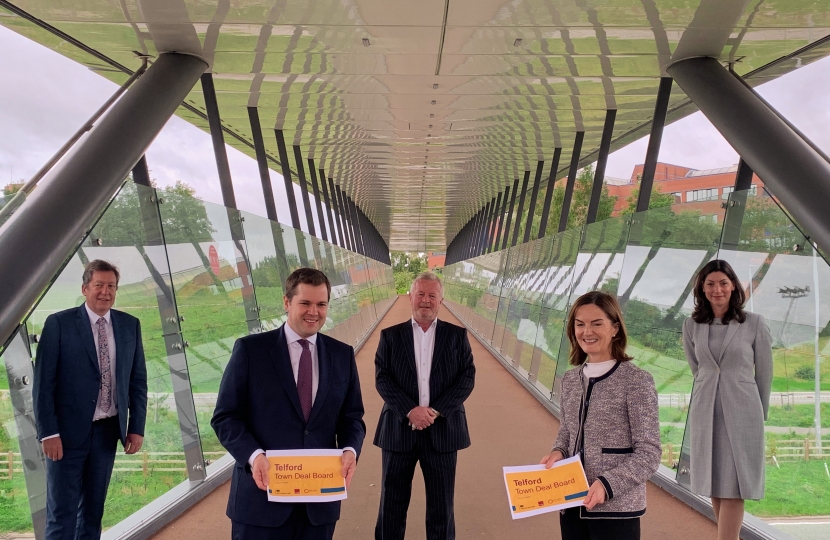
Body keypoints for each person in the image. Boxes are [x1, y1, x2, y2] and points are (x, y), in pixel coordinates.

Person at [212, 267, 365, 540]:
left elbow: (352, 417)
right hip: (260, 503)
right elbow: (226, 417)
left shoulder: (342, 355)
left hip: (319, 506)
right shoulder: (251, 351)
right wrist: (253, 455)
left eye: (321, 304)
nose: (313, 312)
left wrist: (351, 450)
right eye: (305, 303)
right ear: (287, 302)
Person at [33, 259, 148, 540]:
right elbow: (43, 385)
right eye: (99, 285)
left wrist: (136, 427)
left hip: (108, 433)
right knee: (62, 514)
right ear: (85, 288)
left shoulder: (129, 325)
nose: (105, 291)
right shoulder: (59, 324)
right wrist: (49, 432)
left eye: (111, 286)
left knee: (93, 513)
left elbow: (137, 381)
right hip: (66, 436)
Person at [540, 291, 660, 540]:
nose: (587, 332)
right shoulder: (571, 379)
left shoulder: (636, 381)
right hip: (571, 503)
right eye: (580, 324)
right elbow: (567, 431)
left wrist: (607, 485)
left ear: (615, 328)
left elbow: (649, 452)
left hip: (616, 510)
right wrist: (558, 451)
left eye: (597, 323)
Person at [373, 271, 475, 540]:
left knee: (442, 508)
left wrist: (434, 411)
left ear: (441, 299)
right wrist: (411, 410)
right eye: (420, 294)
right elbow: (383, 379)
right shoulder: (390, 336)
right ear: (410, 297)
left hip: (443, 432)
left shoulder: (457, 336)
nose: (426, 300)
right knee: (391, 505)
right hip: (398, 431)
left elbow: (467, 378)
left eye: (432, 295)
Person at [682, 259, 772, 540]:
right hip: (706, 411)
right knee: (715, 482)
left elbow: (765, 374)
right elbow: (698, 368)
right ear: (702, 288)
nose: (717, 289)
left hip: (743, 413)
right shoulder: (692, 325)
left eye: (723, 283)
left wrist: (760, 414)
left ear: (733, 286)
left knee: (734, 486)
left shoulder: (754, 323)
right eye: (710, 284)